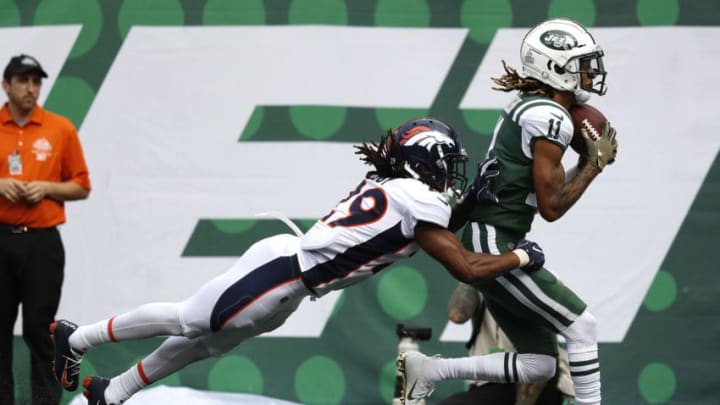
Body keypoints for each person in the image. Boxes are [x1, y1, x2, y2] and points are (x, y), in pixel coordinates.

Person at [49, 117, 546, 405]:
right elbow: (466, 267)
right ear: (424, 161)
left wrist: (468, 206)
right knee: (188, 319)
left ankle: (111, 393)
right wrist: (521, 255)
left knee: (204, 345)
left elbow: (433, 232)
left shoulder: (406, 195)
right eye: (446, 163)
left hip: (291, 284)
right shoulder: (419, 200)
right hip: (283, 273)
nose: (450, 175)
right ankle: (76, 337)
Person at [398, 18, 618, 405]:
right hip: (494, 240)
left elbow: (543, 189)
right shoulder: (549, 116)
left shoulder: (533, 107)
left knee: (542, 365)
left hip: (497, 234)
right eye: (581, 64)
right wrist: (592, 166)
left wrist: (586, 165)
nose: (589, 73)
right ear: (556, 68)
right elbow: (552, 207)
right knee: (582, 326)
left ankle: (430, 370)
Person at [0, 54, 92, 404]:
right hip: (1, 237)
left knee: (41, 330)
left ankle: (44, 401)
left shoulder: (60, 128)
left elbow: (82, 186)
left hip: (42, 243)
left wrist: (46, 188)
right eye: (23, 81)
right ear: (6, 85)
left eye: (36, 81)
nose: (31, 88)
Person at [439, 282, 575, 405]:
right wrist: (472, 276)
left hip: (534, 381)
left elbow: (542, 347)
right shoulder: (481, 283)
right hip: (490, 384)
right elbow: (457, 315)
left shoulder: (538, 282)